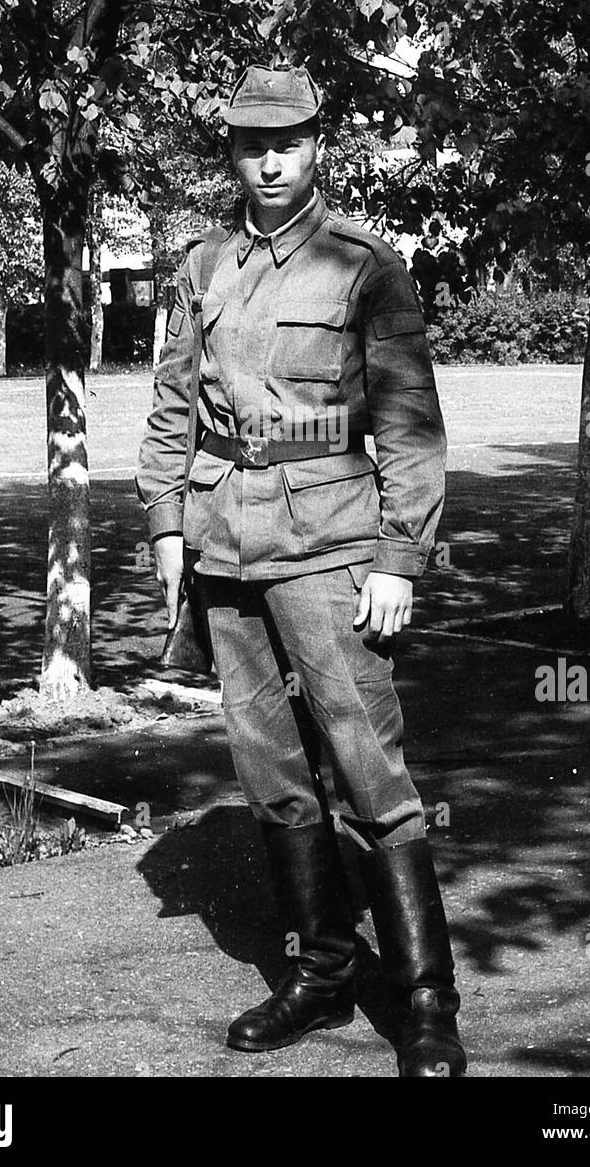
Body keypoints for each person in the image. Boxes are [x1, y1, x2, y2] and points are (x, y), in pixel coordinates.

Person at [136, 63, 466, 1078]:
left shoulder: (362, 264)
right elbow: (169, 406)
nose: (267, 159)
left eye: (284, 141)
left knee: (369, 768)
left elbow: (406, 424)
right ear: (230, 152)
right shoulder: (201, 265)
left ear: (316, 141)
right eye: (248, 143)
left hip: (330, 543)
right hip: (225, 546)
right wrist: (163, 529)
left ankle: (424, 1002)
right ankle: (320, 974)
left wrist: (400, 556)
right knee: (270, 773)